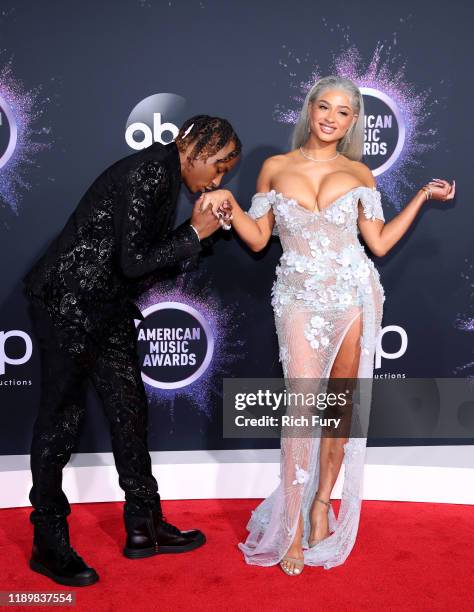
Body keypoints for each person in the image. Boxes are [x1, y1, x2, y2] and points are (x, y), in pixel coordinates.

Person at [197, 76, 455, 576]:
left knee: (339, 413)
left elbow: (376, 244)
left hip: (354, 295)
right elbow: (256, 239)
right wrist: (227, 202)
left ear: (352, 120)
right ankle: (290, 526)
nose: (331, 117)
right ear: (310, 109)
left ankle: (321, 507)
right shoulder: (274, 168)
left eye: (342, 111)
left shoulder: (360, 173)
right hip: (297, 298)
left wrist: (421, 196)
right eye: (324, 106)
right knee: (301, 412)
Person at [22, 115, 240, 586]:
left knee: (129, 409)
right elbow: (135, 260)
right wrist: (195, 233)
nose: (218, 179)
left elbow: (137, 264)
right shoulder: (150, 170)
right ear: (195, 149)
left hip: (108, 305)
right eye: (219, 166)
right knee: (61, 419)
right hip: (69, 303)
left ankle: (144, 526)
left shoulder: (164, 174)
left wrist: (194, 234)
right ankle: (47, 539)